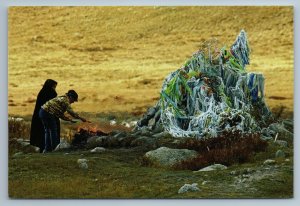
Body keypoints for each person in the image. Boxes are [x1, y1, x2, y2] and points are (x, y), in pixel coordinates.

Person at [30, 79, 60, 153]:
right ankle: (52, 148)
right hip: (49, 115)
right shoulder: (51, 92)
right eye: (54, 87)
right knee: (52, 130)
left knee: (43, 132)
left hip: (39, 116)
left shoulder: (42, 92)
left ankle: (44, 149)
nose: (54, 88)